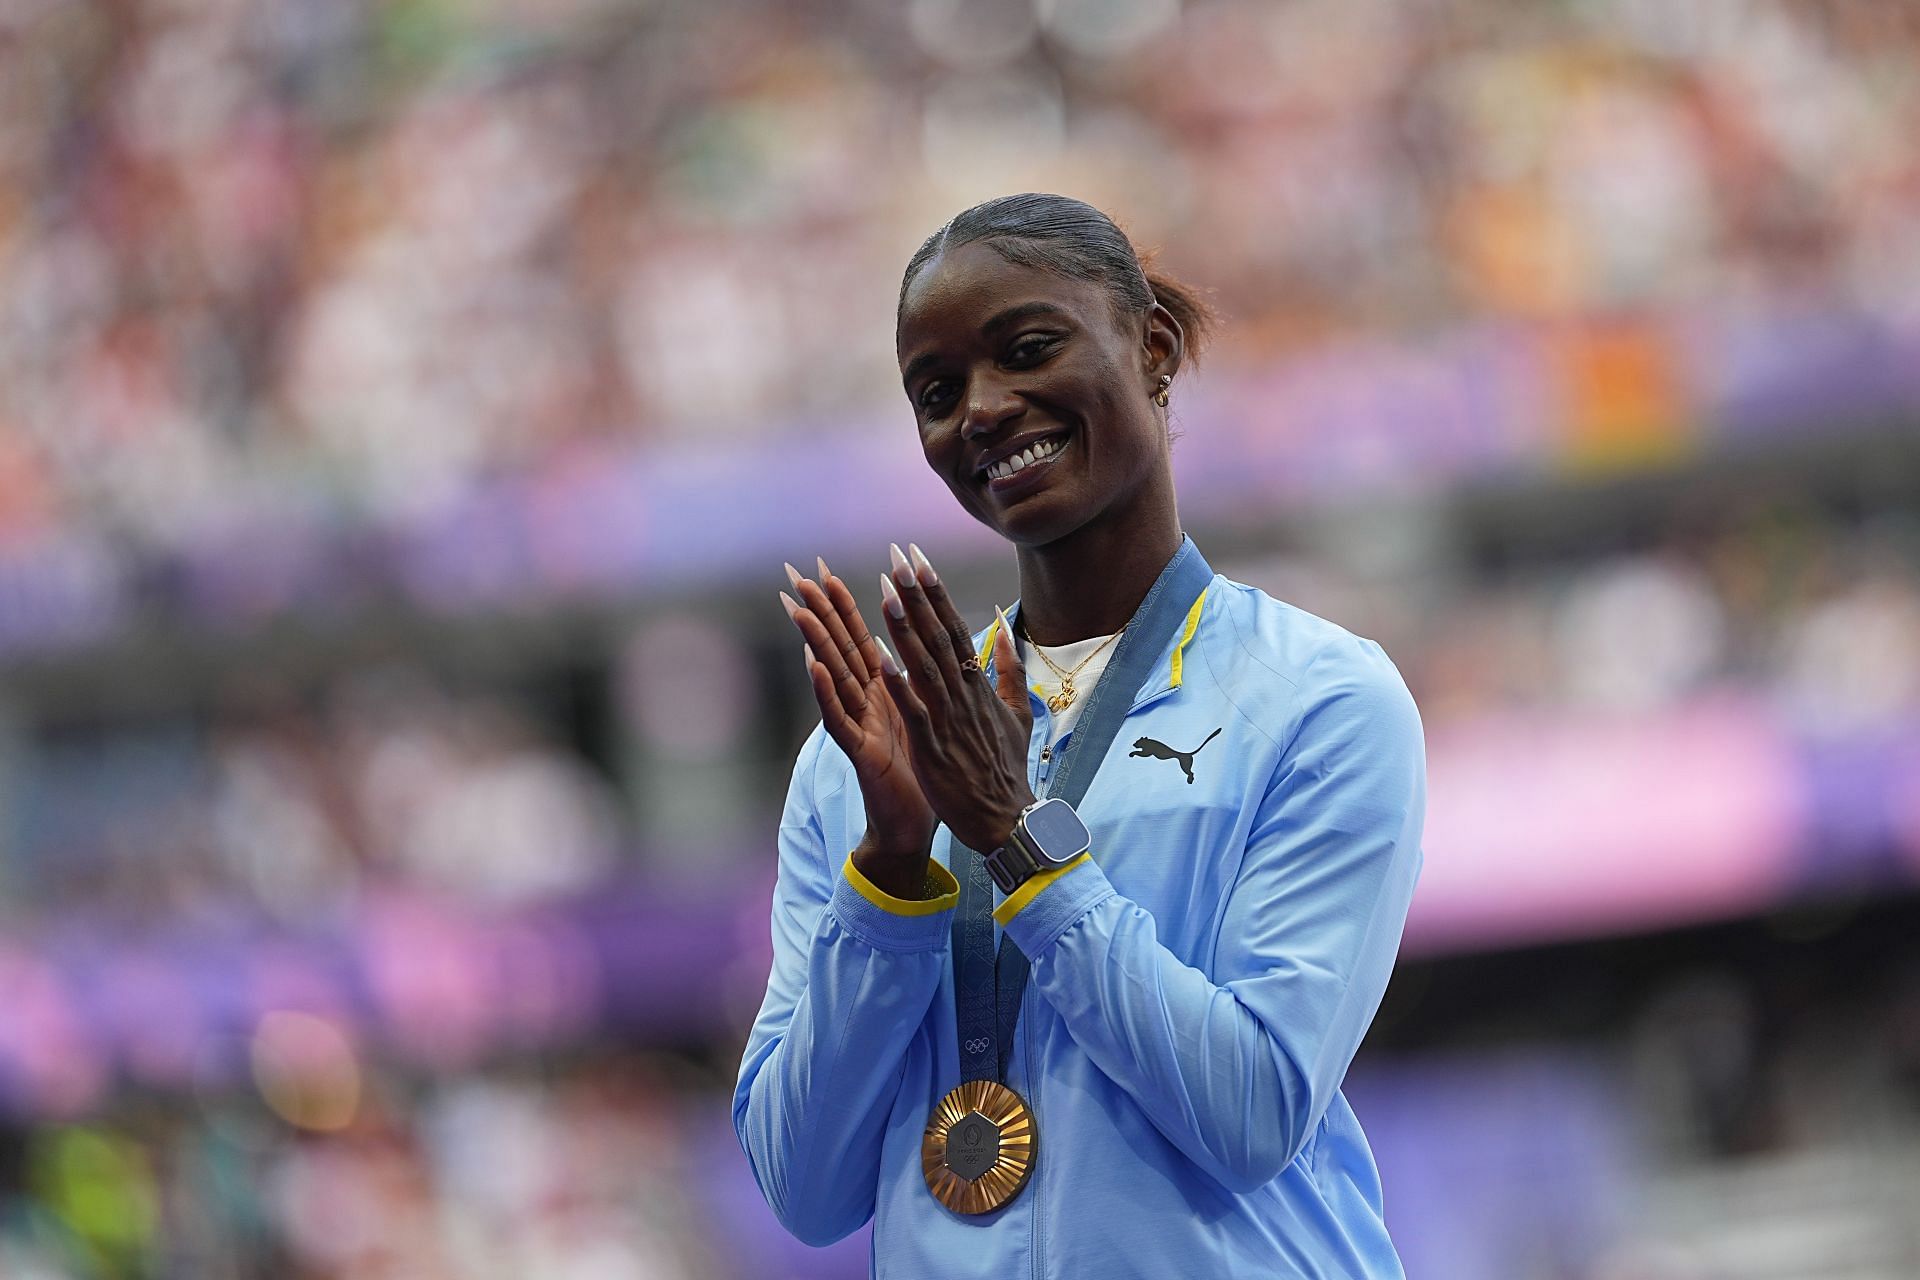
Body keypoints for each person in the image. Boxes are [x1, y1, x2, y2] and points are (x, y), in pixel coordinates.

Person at [733, 193, 1425, 1277]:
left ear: (1150, 347)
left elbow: (1252, 1110)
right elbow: (805, 1188)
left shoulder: (1319, 699)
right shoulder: (865, 759)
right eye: (937, 390)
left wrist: (1016, 838)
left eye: (1027, 349)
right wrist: (891, 870)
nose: (984, 408)